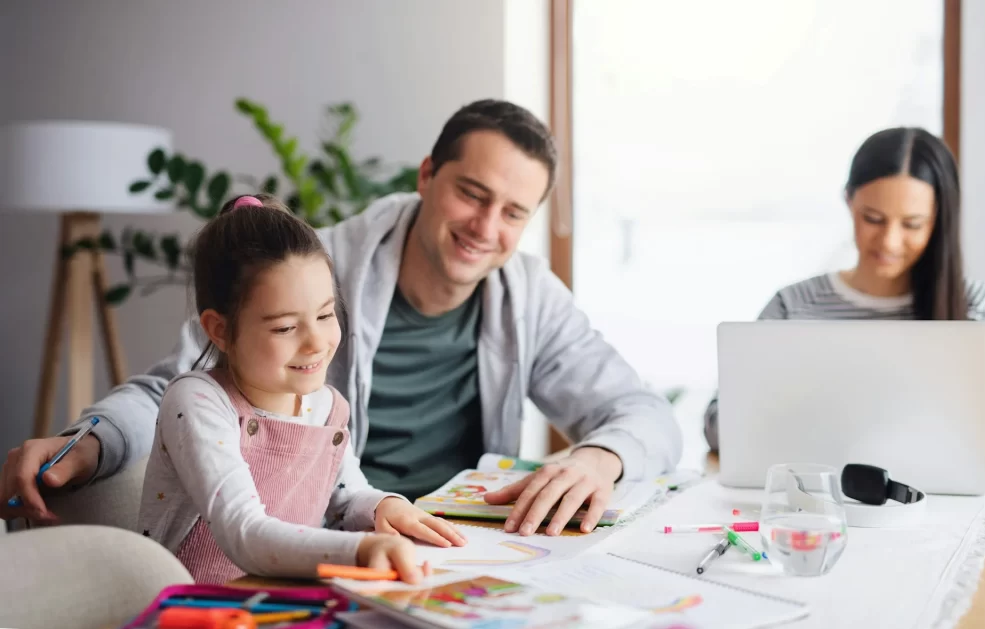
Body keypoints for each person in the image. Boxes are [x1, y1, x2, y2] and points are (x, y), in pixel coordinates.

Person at [1, 99, 682, 539]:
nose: (485, 227)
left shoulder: (529, 295)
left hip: (447, 546)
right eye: (471, 194)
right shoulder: (315, 269)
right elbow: (174, 389)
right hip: (322, 536)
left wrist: (602, 456)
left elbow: (644, 412)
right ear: (426, 176)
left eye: (513, 213)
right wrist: (89, 440)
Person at [136, 194, 462, 584]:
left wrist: (385, 507)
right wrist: (359, 550)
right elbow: (243, 531)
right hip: (195, 610)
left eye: (326, 315)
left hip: (287, 602)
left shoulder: (327, 407)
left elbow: (346, 498)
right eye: (285, 328)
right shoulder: (198, 402)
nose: (316, 342)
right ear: (220, 330)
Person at [703, 127, 985, 466]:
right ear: (848, 201)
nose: (889, 242)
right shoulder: (792, 307)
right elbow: (716, 424)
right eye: (873, 219)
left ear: (939, 218)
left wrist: (939, 434)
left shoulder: (976, 306)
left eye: (912, 224)